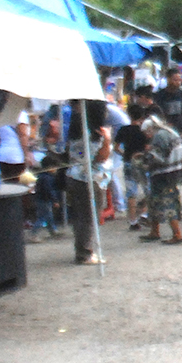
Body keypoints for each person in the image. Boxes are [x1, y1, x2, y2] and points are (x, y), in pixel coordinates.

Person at [65, 100, 112, 265]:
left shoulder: (75, 128)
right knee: (90, 217)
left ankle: (81, 249)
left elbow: (76, 152)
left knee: (80, 217)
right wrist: (107, 141)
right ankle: (85, 253)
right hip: (90, 179)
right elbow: (99, 158)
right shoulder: (94, 133)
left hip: (74, 176)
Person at [138, 115, 182, 244]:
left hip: (165, 174)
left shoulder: (159, 136)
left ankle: (177, 234)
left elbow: (159, 157)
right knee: (154, 202)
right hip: (174, 172)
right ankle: (155, 231)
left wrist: (145, 158)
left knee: (167, 203)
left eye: (146, 132)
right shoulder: (169, 132)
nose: (146, 136)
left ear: (150, 129)